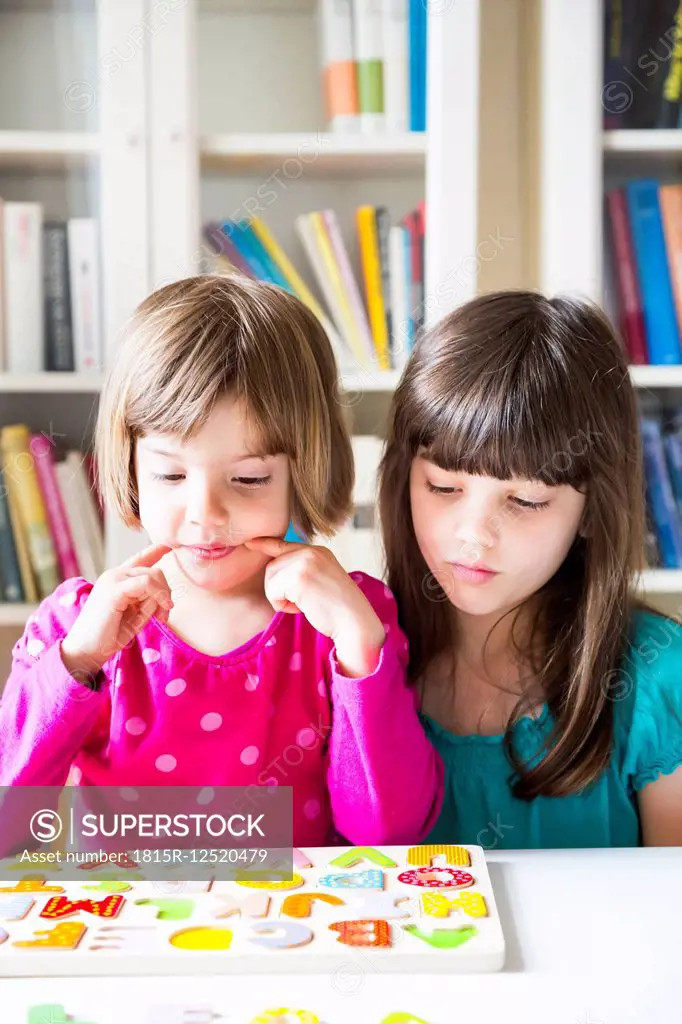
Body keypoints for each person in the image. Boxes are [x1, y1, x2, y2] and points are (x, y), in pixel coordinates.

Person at [0, 274, 443, 848]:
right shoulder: (78, 627)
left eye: (249, 478)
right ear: (132, 467)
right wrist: (76, 661)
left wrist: (359, 654)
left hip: (295, 932)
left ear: (302, 471)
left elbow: (389, 835)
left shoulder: (349, 619)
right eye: (171, 474)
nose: (206, 515)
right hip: (134, 937)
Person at [379, 290, 682, 848]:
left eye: (526, 501)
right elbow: (209, 865)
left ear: (592, 510)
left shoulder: (659, 676)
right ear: (404, 482)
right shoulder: (340, 655)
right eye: (444, 487)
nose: (473, 534)